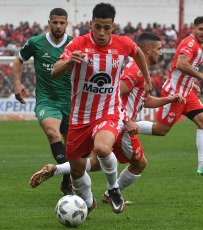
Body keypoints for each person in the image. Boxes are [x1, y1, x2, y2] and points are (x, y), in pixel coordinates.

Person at [29, 32, 185, 204]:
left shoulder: (138, 71)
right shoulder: (136, 71)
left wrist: (167, 100)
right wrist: (126, 119)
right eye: (159, 49)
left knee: (96, 162)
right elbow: (116, 93)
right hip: (117, 123)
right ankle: (111, 194)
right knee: (139, 164)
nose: (161, 53)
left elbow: (143, 100)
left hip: (112, 120)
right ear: (148, 50)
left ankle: (57, 170)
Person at [50, 3, 152, 215]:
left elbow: (138, 52)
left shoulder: (122, 44)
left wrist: (148, 79)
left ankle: (113, 189)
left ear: (113, 26)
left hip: (108, 112)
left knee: (104, 148)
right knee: (77, 171)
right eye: (98, 27)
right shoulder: (77, 44)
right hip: (79, 117)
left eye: (107, 28)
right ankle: (88, 202)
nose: (102, 33)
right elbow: (55, 72)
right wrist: (69, 61)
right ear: (91, 24)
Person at [136, 16, 203, 176]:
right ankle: (126, 127)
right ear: (193, 29)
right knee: (161, 130)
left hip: (186, 92)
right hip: (174, 93)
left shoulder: (196, 45)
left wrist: (191, 83)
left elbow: (176, 67)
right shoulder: (190, 43)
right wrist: (201, 77)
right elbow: (181, 64)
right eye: (201, 29)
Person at [12, 8, 74, 195]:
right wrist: (17, 83)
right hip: (46, 101)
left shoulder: (75, 44)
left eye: (61, 23)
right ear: (49, 23)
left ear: (66, 24)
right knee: (51, 132)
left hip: (71, 102)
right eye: (54, 22)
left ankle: (65, 179)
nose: (58, 26)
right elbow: (19, 59)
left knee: (74, 149)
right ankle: (67, 181)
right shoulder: (36, 43)